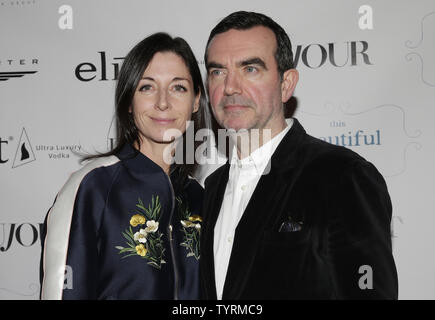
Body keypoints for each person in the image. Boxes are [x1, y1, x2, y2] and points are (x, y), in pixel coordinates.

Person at [200, 11, 398, 299]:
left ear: (286, 84)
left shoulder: (341, 175)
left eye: (250, 69)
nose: (230, 87)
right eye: (218, 71)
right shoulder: (212, 188)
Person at [40, 32, 206, 300]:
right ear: (129, 100)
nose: (163, 102)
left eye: (178, 87)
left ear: (196, 101)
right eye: (147, 87)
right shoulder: (92, 186)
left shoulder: (200, 197)